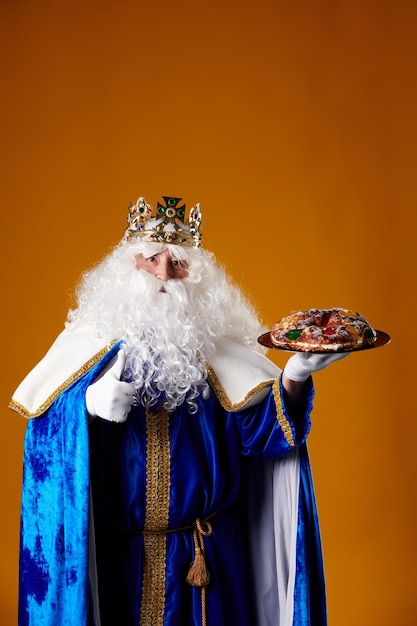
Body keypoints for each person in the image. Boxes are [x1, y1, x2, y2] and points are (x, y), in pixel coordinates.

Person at [10, 195, 348, 626]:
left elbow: (266, 438)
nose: (163, 275)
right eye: (151, 259)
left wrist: (295, 374)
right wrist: (84, 407)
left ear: (199, 279)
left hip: (205, 564)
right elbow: (44, 448)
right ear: (125, 269)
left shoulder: (219, 353)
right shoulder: (85, 349)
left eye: (178, 264)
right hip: (115, 560)